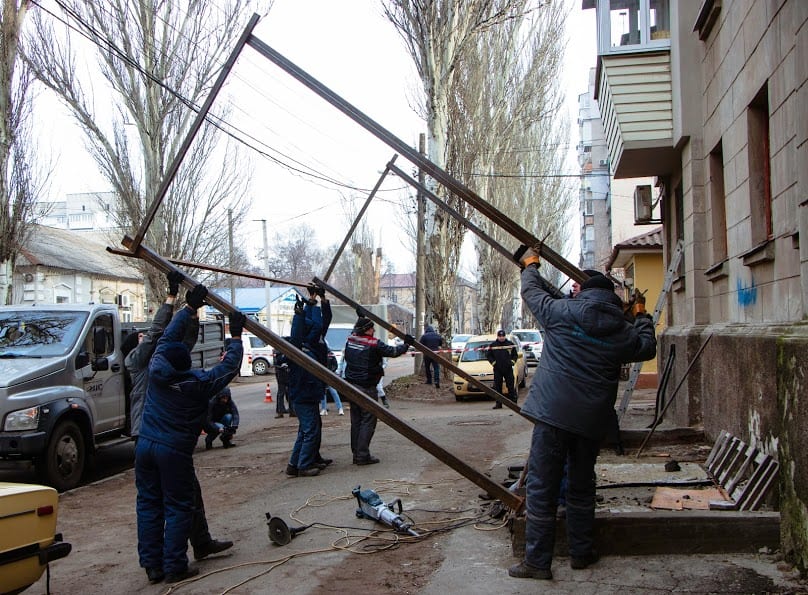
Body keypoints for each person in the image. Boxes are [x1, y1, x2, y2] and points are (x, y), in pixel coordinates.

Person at [508, 248, 656, 581]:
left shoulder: (561, 312)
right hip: (590, 421)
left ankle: (537, 563)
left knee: (542, 488)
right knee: (581, 485)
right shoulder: (623, 331)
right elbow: (647, 346)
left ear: (583, 291)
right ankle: (581, 553)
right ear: (613, 299)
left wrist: (531, 266)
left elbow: (532, 291)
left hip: (553, 414)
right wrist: (642, 315)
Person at [135, 283, 245, 585]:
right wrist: (235, 337)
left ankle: (154, 566)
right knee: (179, 505)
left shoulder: (158, 365)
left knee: (148, 504)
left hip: (145, 446)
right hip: (173, 451)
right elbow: (228, 369)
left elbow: (168, 337)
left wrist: (188, 308)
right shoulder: (194, 385)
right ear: (186, 362)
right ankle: (174, 567)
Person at [343, 314, 413, 465]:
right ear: (367, 330)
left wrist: (361, 318)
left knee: (356, 421)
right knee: (368, 421)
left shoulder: (351, 340)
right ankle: (362, 455)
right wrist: (407, 344)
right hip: (367, 386)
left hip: (351, 386)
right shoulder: (374, 344)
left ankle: (356, 452)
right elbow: (393, 352)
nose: (374, 330)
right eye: (371, 328)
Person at [286, 289, 333, 477]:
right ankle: (303, 465)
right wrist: (300, 314)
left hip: (309, 394)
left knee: (309, 429)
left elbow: (321, 322)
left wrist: (317, 301)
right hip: (303, 395)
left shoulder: (314, 344)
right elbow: (301, 331)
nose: (319, 330)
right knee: (310, 430)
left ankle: (298, 462)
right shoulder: (298, 349)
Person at [487, 330, 518, 409]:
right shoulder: (493, 345)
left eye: (503, 336)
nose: (501, 338)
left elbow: (515, 355)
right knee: (498, 387)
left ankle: (513, 403)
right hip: (498, 369)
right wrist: (494, 363)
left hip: (508, 369)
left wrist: (512, 362)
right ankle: (498, 404)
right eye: (500, 336)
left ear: (505, 336)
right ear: (497, 336)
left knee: (510, 386)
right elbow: (489, 355)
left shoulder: (510, 344)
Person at [273, 349, 294, 418]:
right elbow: (276, 364)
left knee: (284, 393)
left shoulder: (278, 353)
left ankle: (282, 411)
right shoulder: (282, 353)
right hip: (283, 374)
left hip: (283, 374)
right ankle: (288, 411)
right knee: (284, 393)